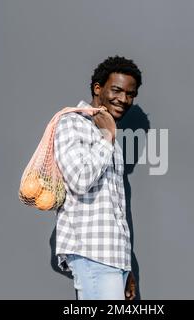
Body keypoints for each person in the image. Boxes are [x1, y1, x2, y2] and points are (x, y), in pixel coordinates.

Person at [53, 56, 142, 300]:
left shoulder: (108, 134)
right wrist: (107, 137)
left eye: (130, 94)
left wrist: (125, 267)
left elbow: (114, 210)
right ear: (97, 88)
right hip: (91, 253)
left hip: (111, 258)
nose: (123, 99)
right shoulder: (71, 122)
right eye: (116, 90)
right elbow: (80, 180)